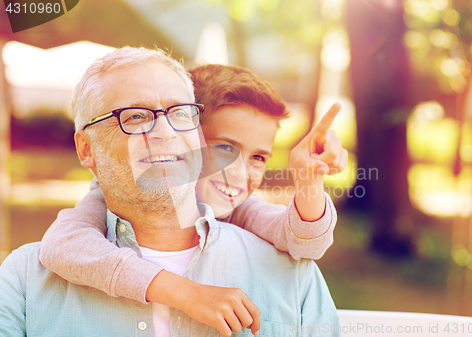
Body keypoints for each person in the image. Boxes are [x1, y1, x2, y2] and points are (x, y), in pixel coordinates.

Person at [0, 46, 342, 336]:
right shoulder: (28, 278)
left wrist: (310, 180)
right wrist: (184, 293)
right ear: (86, 150)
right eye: (134, 116)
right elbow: (62, 243)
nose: (164, 131)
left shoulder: (285, 267)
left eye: (179, 113)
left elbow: (305, 236)